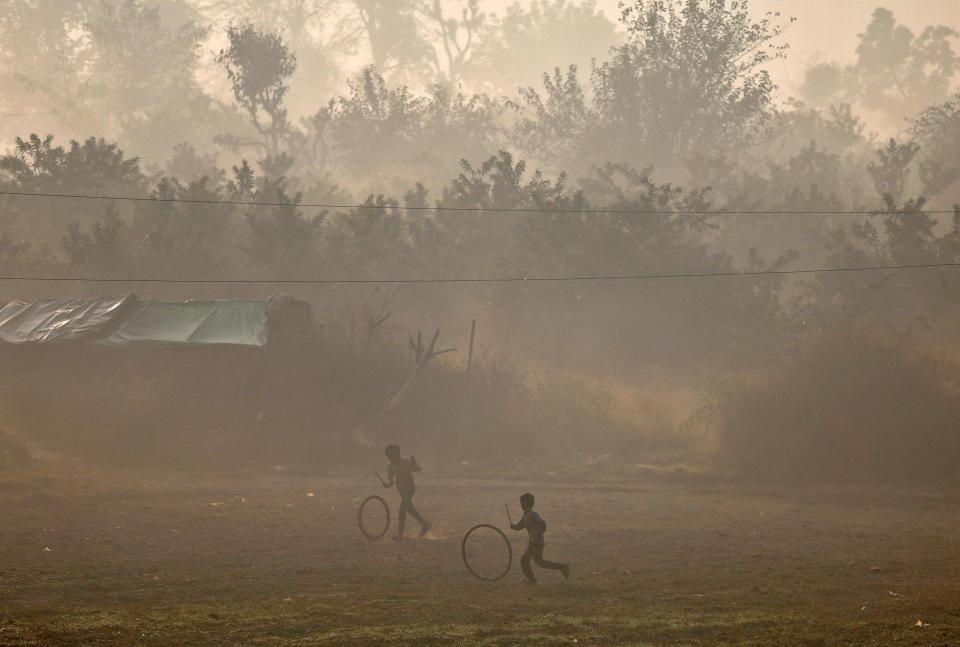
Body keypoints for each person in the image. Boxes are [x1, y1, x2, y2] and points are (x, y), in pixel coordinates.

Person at [510, 492, 569, 584]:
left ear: (526, 504)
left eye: (522, 503)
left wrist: (538, 532)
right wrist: (514, 527)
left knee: (524, 560)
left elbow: (543, 524)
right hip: (533, 542)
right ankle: (562, 567)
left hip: (537, 543)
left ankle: (532, 580)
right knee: (540, 562)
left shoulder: (533, 515)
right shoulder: (526, 515)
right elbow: (520, 526)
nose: (521, 505)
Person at [382, 444, 431, 540]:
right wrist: (387, 484)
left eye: (390, 457)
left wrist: (413, 462)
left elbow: (418, 469)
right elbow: (391, 481)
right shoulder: (390, 467)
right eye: (388, 458)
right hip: (401, 491)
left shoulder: (405, 462)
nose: (389, 459)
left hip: (409, 489)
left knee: (402, 510)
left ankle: (400, 534)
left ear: (397, 455)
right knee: (409, 509)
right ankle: (425, 524)